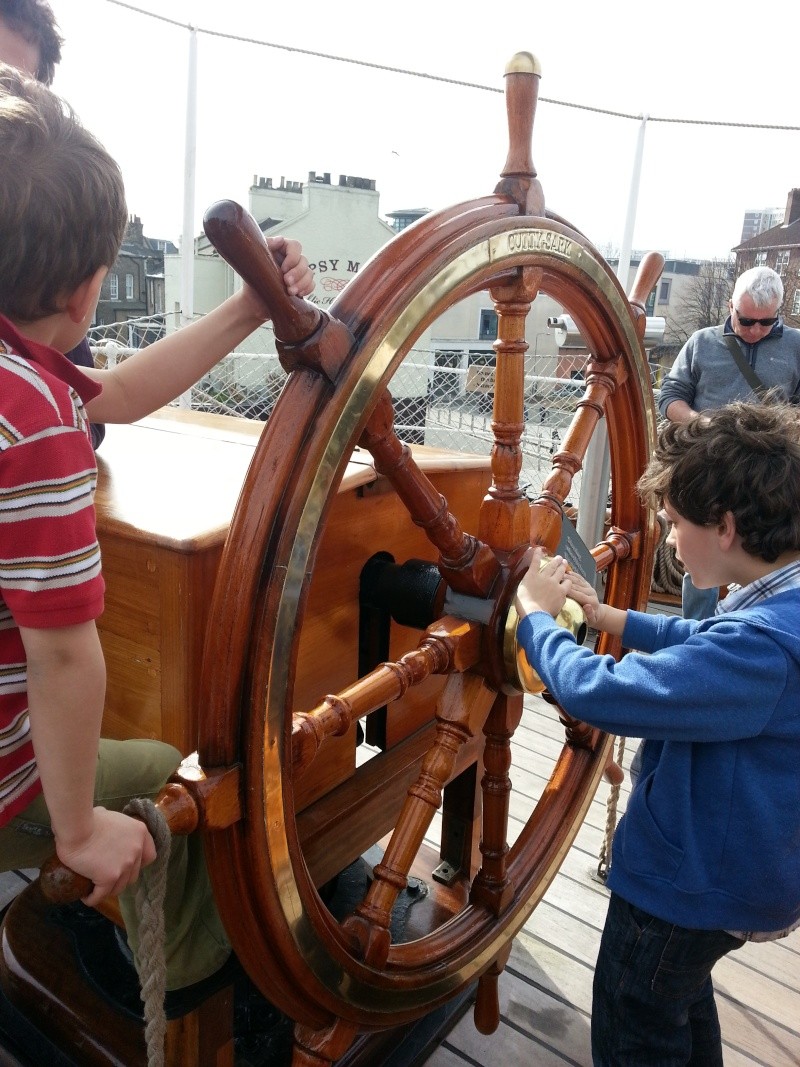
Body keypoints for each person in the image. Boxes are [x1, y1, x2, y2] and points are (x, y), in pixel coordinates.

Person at [0, 63, 313, 991]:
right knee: (173, 778)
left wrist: (249, 306)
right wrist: (79, 831)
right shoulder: (36, 423)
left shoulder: (29, 380)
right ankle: (199, 990)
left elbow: (123, 392)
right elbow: (63, 657)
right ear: (91, 292)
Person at [513, 401, 800, 1066]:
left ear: (724, 527)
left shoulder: (762, 653)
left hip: (683, 886)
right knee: (676, 1000)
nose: (668, 539)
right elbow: (703, 637)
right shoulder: (780, 609)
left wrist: (536, 619)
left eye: (674, 524)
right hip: (739, 876)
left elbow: (597, 692)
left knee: (634, 1021)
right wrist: (605, 611)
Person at [658, 264, 800, 620]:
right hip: (710, 465)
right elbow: (670, 397)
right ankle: (698, 633)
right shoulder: (702, 342)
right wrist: (702, 423)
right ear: (729, 306)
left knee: (767, 552)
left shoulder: (796, 346)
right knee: (700, 556)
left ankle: (751, 630)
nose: (754, 330)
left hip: (768, 473)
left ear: (777, 315)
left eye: (765, 323)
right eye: (745, 319)